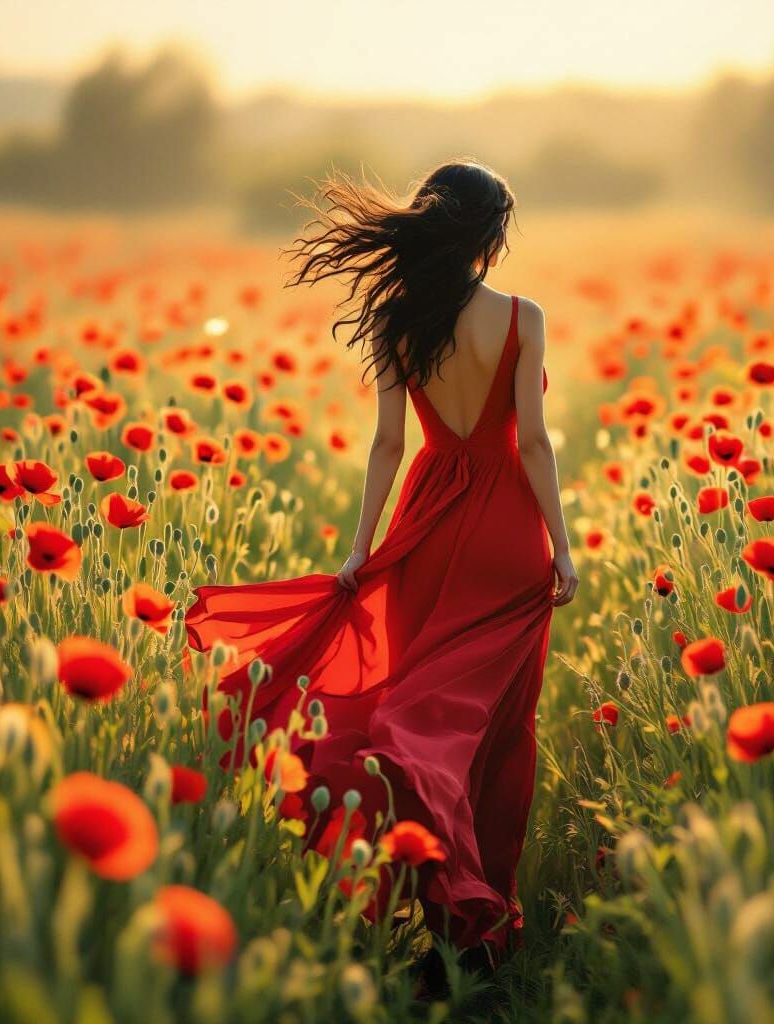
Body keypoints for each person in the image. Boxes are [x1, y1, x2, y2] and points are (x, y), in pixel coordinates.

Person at [185, 159, 577, 988]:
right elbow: (534, 443)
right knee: (493, 730)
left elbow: (389, 446)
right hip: (508, 533)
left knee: (426, 701)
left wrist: (362, 550)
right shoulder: (522, 316)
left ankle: (431, 899)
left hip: (430, 522)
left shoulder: (400, 319)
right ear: (489, 236)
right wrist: (564, 546)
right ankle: (476, 924)